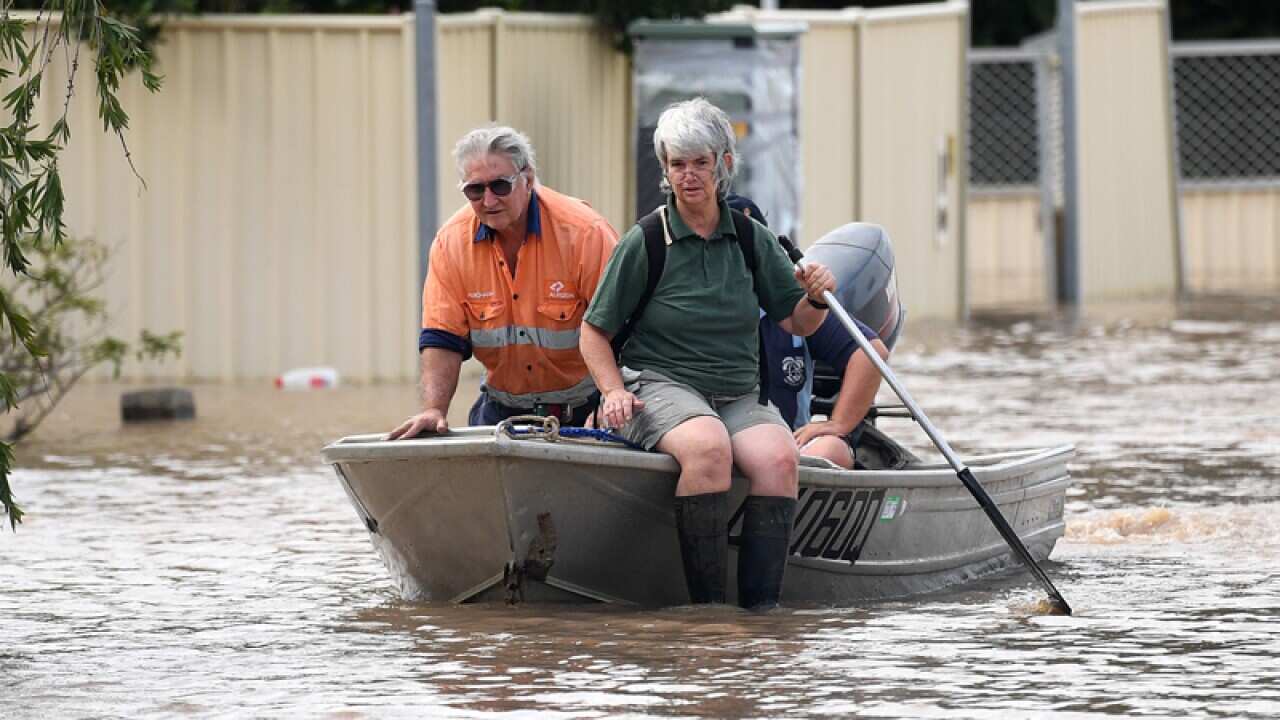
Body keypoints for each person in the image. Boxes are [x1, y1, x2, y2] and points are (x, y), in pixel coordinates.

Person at [579, 98, 836, 610]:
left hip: (738, 391)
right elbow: (593, 332)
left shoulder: (749, 237)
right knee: (708, 447)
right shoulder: (647, 239)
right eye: (678, 164)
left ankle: (762, 616)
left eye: (701, 162)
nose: (689, 175)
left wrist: (816, 296)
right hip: (661, 385)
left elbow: (795, 321)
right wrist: (611, 391)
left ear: (725, 165)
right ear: (666, 170)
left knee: (781, 457)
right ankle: (709, 616)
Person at [389, 125, 619, 440]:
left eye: (500, 186)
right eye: (475, 190)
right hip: (501, 409)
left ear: (527, 179)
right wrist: (434, 410)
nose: (488, 200)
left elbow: (625, 330)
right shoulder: (450, 243)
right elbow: (442, 338)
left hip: (586, 407)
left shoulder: (585, 233)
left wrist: (613, 397)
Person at [725, 195, 890, 470]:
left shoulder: (798, 307)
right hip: (713, 440)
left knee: (832, 448)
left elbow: (870, 352)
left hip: (788, 446)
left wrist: (838, 424)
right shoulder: (685, 302)